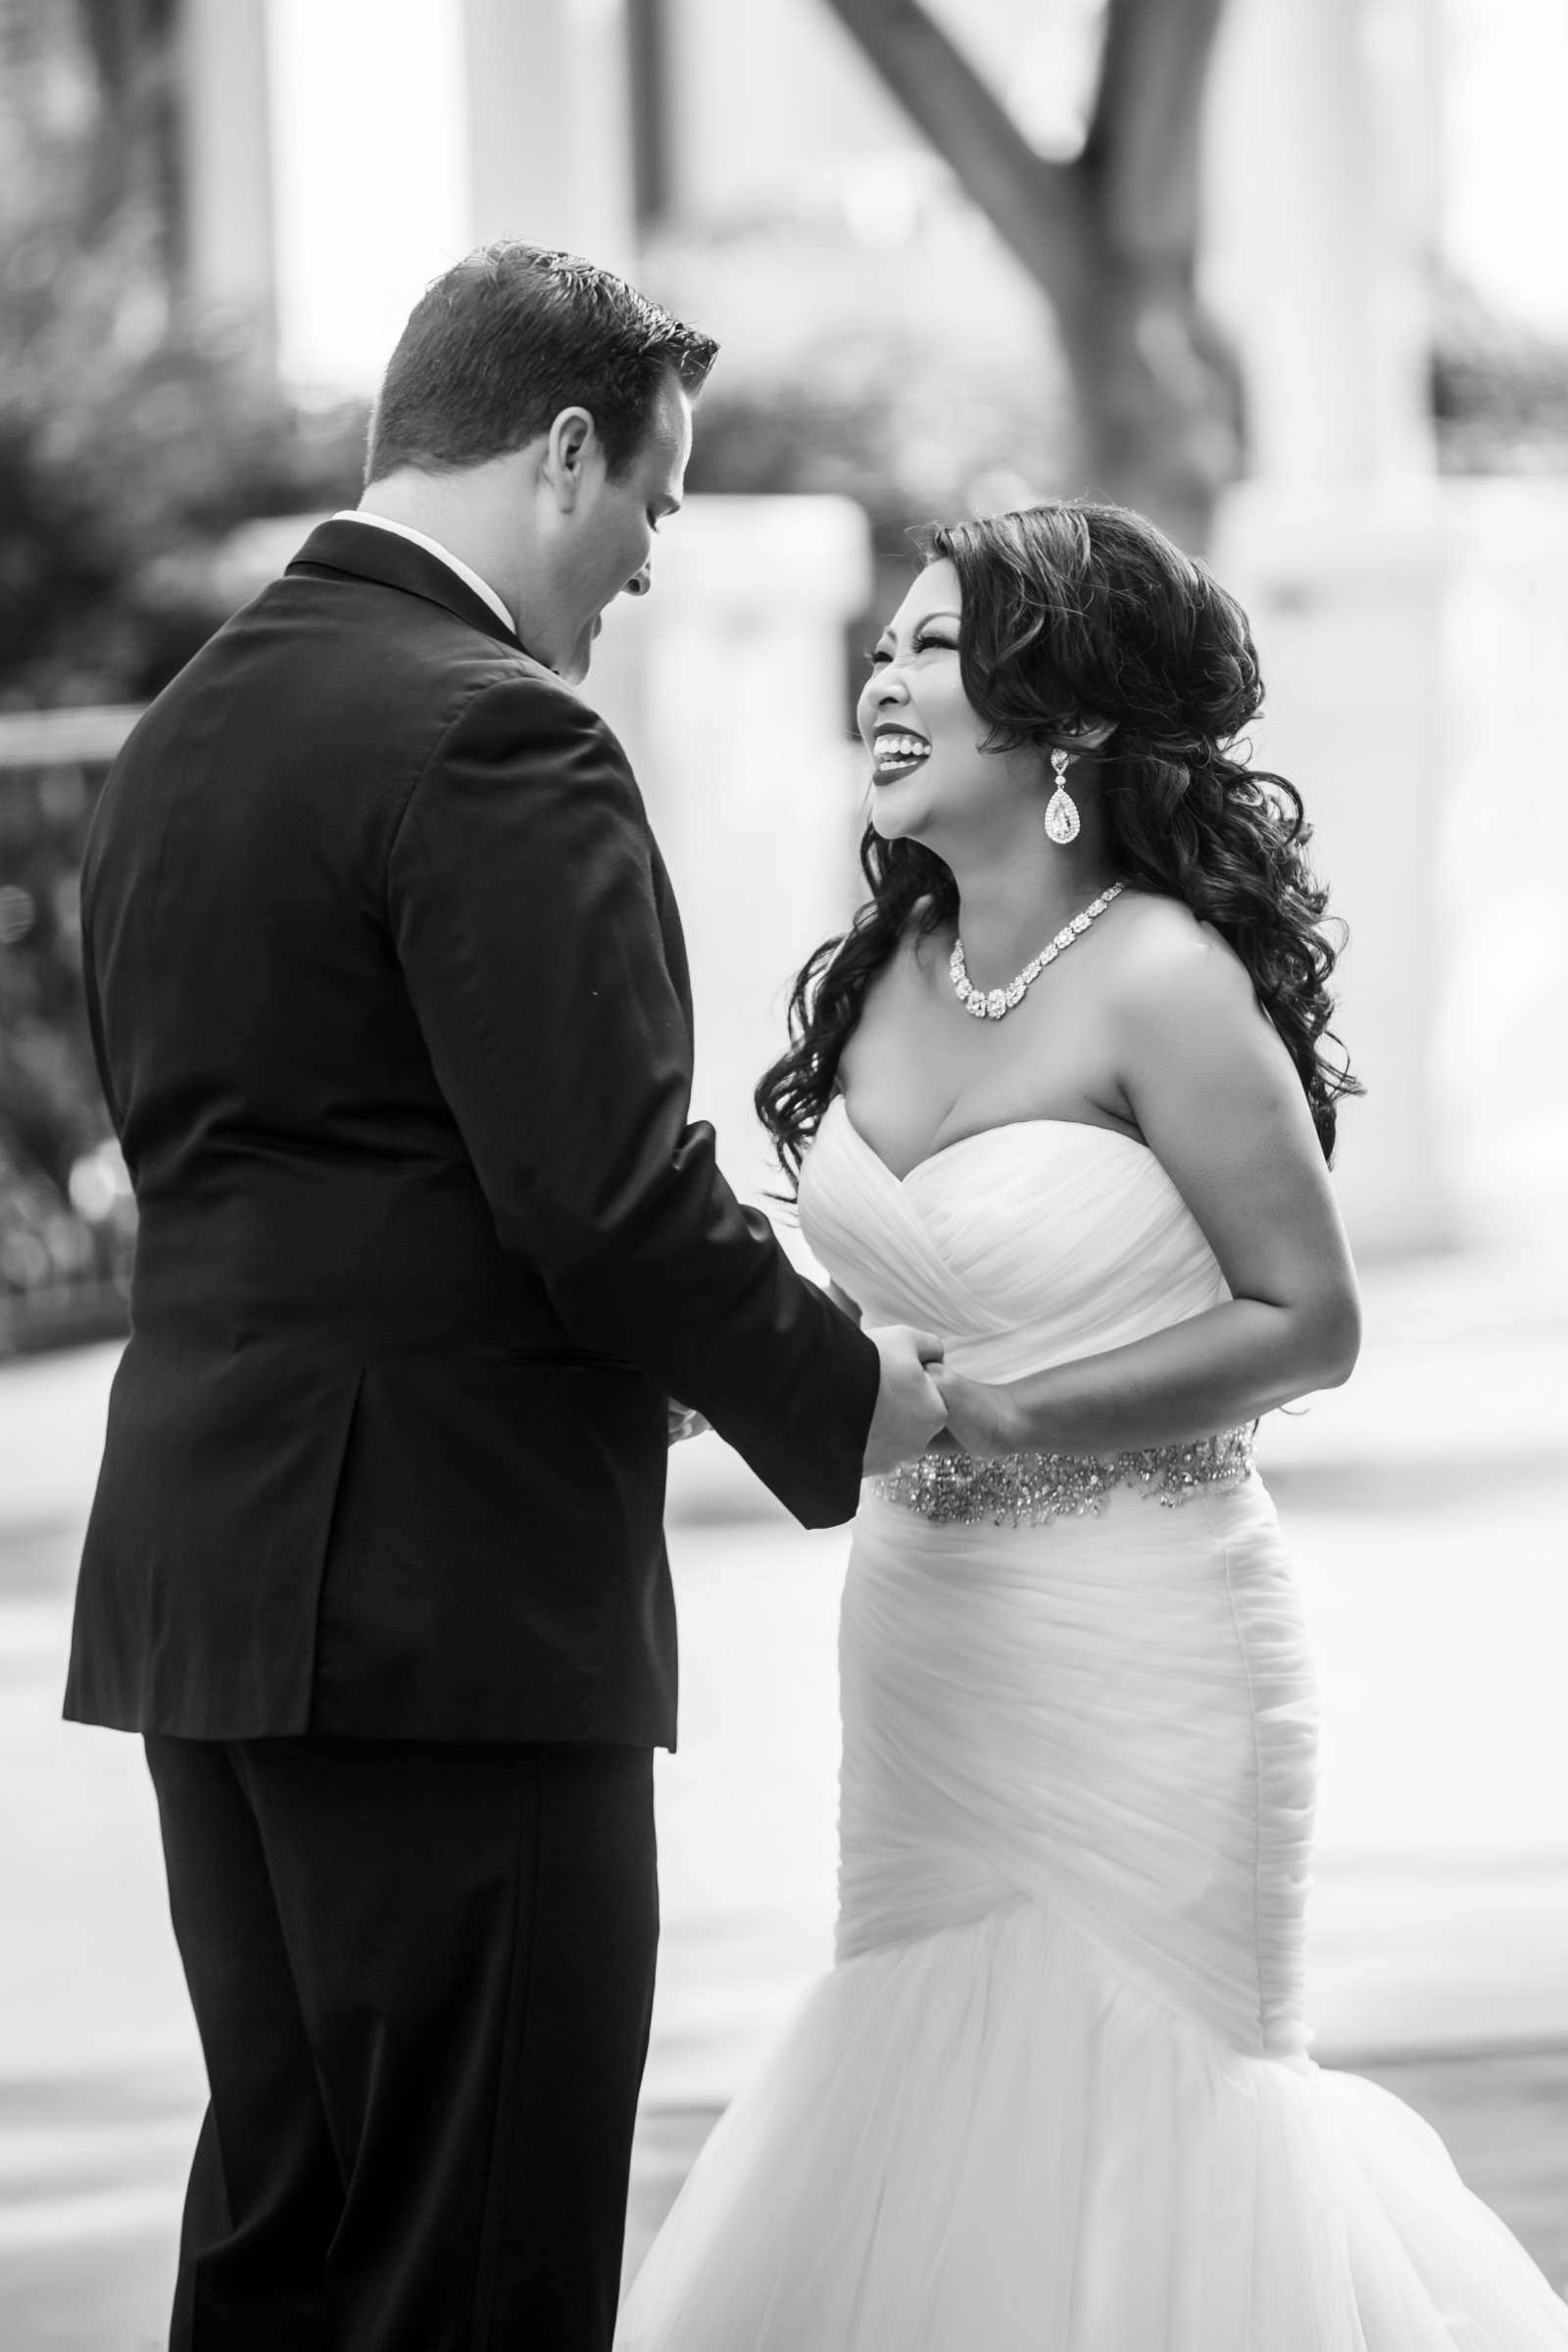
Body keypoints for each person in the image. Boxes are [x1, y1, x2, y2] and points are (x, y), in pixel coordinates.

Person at [62, 241, 947, 2352]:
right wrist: (846, 1390)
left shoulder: (181, 733)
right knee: (473, 2250)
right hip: (443, 1608)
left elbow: (320, 1155)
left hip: (212, 1585)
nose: (650, 559)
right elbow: (606, 1196)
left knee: (293, 2219)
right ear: (563, 450)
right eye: (654, 495)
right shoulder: (492, 739)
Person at [614, 502, 1568, 2349]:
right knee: (920, 2054)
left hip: (1152, 1625)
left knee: (1165, 2099)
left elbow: (1312, 1321)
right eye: (879, 644)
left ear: (1061, 721)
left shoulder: (1165, 980)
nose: (883, 681)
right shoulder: (881, 976)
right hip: (925, 1637)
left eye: (932, 646)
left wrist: (998, 1413)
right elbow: (862, 1324)